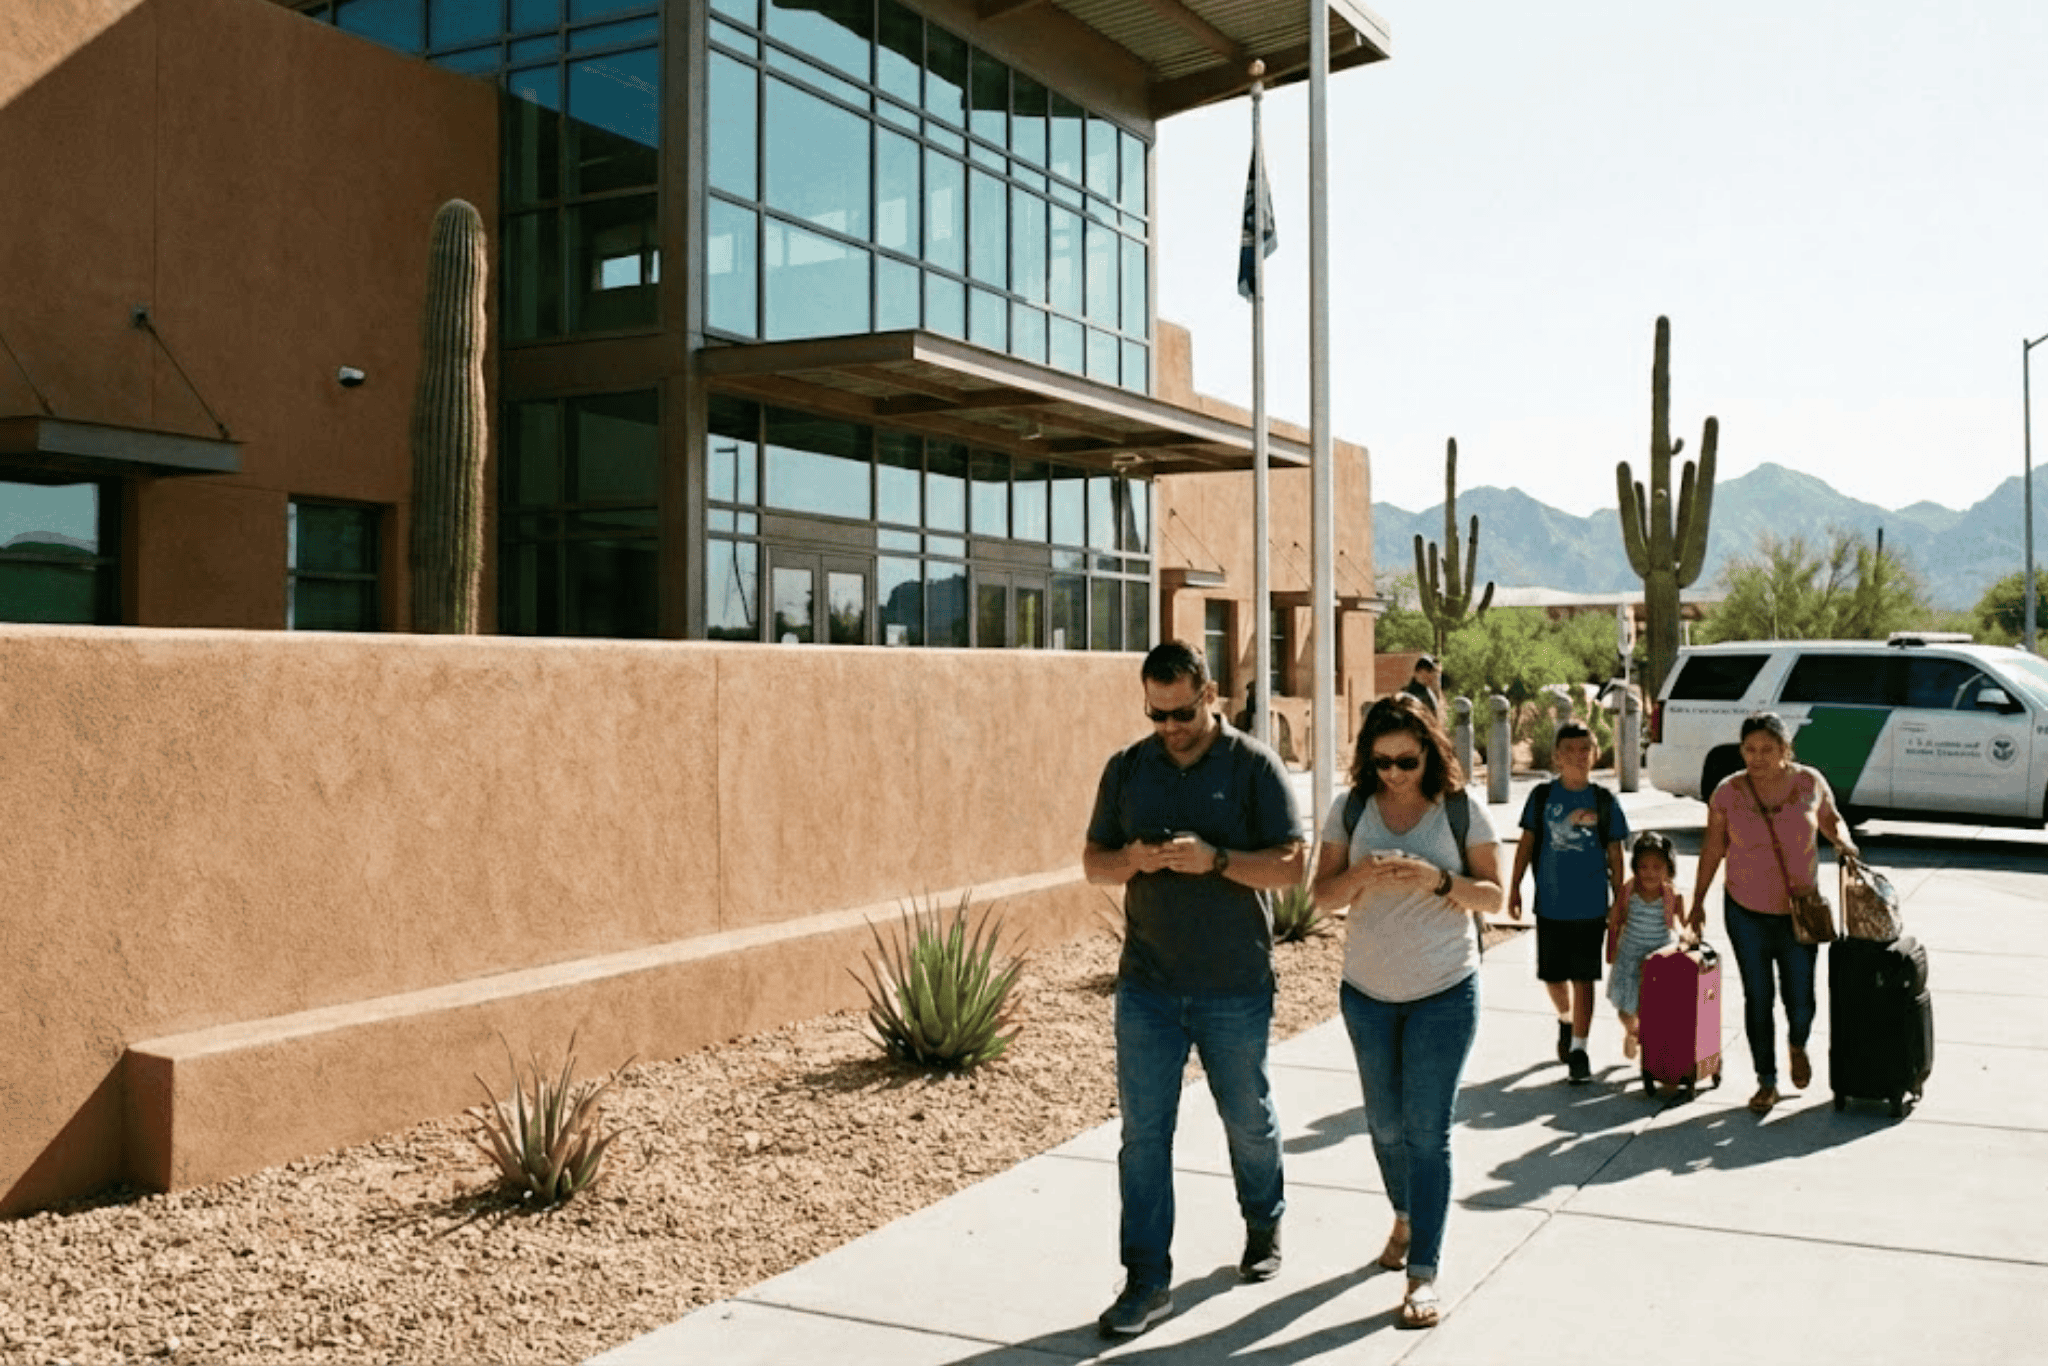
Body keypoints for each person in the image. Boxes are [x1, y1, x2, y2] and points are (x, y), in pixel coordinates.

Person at [1083, 640, 1306, 1338]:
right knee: (1143, 1136)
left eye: (1181, 712)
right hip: (1147, 987)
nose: (1171, 727)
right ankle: (1147, 1280)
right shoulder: (1128, 768)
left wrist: (1217, 862)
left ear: (1208, 693)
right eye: (1157, 714)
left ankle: (1263, 1221)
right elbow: (1094, 862)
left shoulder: (1251, 766)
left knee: (1246, 1116)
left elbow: (1292, 865)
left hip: (1233, 984)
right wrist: (1133, 859)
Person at [1312, 693, 1503, 1331]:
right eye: (1383, 761)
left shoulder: (1458, 808)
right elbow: (1321, 900)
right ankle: (1405, 1213)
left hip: (1445, 991)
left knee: (1428, 1132)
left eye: (1406, 761)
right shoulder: (1352, 808)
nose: (1394, 773)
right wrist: (1362, 873)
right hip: (1366, 993)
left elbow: (1495, 896)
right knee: (1385, 1128)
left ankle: (1423, 1270)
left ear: (1430, 751)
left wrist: (1436, 881)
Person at [1687, 711, 1858, 1115]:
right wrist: (1696, 901)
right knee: (1757, 996)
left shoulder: (1808, 782)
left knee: (1800, 1000)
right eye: (1750, 750)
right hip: (1745, 910)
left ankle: (1797, 1043)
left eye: (1767, 749)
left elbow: (1833, 822)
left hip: (1800, 912)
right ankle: (1766, 1080)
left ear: (1785, 749)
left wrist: (1845, 845)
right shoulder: (1728, 792)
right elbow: (1713, 848)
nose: (1757, 758)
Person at [1507, 721, 1628, 1083]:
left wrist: (1619, 902)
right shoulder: (1543, 798)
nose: (1578, 757)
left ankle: (1579, 1048)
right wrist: (1514, 886)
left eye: (1585, 750)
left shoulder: (1604, 802)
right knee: (1553, 976)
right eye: (1570, 751)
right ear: (1557, 756)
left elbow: (1616, 855)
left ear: (1594, 754)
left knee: (1584, 977)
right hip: (1550, 905)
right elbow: (1527, 844)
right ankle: (1564, 1017)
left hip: (1591, 907)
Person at [1605, 831, 1687, 1061]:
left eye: (1657, 867)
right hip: (1630, 957)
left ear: (1668, 869)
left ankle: (1651, 1045)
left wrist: (1687, 936)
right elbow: (1615, 921)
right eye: (1643, 867)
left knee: (1653, 1009)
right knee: (1625, 1008)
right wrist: (1610, 949)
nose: (1650, 873)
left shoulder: (1672, 895)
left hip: (1658, 960)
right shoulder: (1629, 891)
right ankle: (1633, 1031)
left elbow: (1684, 924)